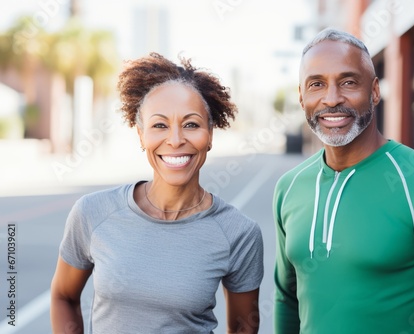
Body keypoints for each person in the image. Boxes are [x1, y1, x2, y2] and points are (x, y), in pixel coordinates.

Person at [273, 28, 414, 333]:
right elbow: (286, 299)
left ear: (374, 91)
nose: (332, 99)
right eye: (317, 84)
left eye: (348, 82)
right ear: (301, 96)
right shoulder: (289, 188)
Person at [51, 52, 264, 334]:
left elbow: (243, 329)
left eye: (191, 124)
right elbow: (63, 296)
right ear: (141, 135)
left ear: (210, 134)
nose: (175, 140)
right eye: (159, 125)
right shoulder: (92, 212)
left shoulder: (238, 232)